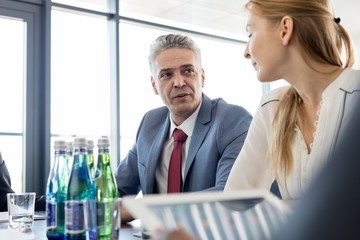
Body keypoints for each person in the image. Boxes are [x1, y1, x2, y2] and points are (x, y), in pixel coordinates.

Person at [224, 0, 360, 201]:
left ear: (285, 29)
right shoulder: (271, 107)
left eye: (250, 34)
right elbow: (236, 203)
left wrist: (288, 208)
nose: (246, 52)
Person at [115, 33, 252, 221]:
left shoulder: (232, 120)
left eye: (188, 71)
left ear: (202, 77)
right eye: (166, 74)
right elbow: (114, 191)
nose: (179, 82)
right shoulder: (150, 123)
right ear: (154, 85)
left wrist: (142, 208)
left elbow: (228, 196)